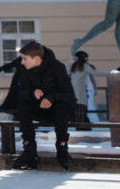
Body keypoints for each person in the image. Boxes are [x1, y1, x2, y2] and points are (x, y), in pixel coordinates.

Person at [10, 41, 75, 171]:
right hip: (36, 108)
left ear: (37, 59)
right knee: (22, 106)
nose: (22, 62)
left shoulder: (57, 67)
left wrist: (52, 98)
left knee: (62, 106)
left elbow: (69, 95)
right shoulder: (24, 69)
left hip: (56, 110)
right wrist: (32, 93)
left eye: (24, 59)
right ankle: (29, 151)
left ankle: (62, 149)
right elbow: (21, 93)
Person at [69, 51, 99, 129]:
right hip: (83, 91)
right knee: (84, 108)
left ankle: (83, 123)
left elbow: (91, 80)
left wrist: (94, 89)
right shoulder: (75, 67)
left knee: (86, 107)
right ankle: (83, 123)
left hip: (85, 91)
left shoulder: (82, 67)